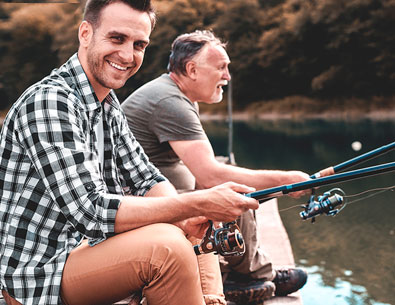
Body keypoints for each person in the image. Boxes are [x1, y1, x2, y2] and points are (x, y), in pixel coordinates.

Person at [0, 3, 260, 305]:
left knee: (190, 229)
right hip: (38, 275)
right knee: (166, 249)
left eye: (139, 44)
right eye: (116, 38)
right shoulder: (50, 101)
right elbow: (91, 211)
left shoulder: (108, 106)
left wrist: (188, 215)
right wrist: (196, 202)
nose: (128, 55)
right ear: (86, 33)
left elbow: (146, 179)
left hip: (83, 250)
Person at [122, 30, 310, 304]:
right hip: (142, 208)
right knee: (235, 192)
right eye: (221, 67)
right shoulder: (170, 102)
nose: (228, 76)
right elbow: (211, 174)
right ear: (192, 69)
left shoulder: (173, 94)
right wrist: (288, 179)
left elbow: (201, 171)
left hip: (155, 197)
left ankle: (246, 271)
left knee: (229, 186)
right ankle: (250, 276)